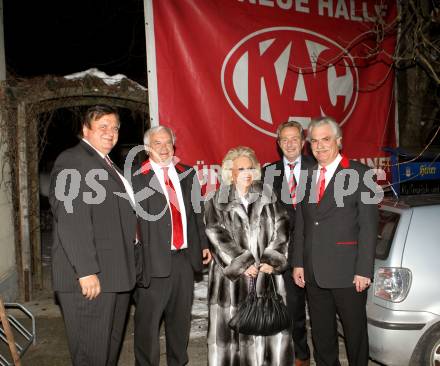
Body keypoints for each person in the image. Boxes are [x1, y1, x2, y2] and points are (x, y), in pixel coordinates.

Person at [49, 105, 140, 366]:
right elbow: (71, 217)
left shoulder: (106, 162)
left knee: (107, 351)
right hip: (92, 278)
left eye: (114, 128)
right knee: (91, 354)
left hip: (114, 275)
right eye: (103, 127)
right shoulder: (73, 160)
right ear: (85, 130)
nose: (110, 133)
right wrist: (86, 270)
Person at [292, 116, 378, 366]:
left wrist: (364, 270)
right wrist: (299, 262)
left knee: (355, 335)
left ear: (338, 141)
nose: (319, 146)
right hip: (314, 271)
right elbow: (302, 224)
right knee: (321, 335)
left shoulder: (361, 174)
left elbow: (369, 227)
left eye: (326, 139)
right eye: (314, 141)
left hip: (348, 271)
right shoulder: (306, 176)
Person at [204, 146, 294, 366]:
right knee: (233, 337)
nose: (246, 172)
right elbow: (215, 233)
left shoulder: (268, 195)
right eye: (240, 168)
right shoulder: (217, 199)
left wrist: (271, 260)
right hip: (231, 282)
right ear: (230, 173)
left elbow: (282, 227)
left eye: (250, 167)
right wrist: (242, 263)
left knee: (268, 332)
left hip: (266, 276)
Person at [132, 125, 211, 366]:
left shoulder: (187, 173)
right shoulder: (135, 177)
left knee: (180, 321)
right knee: (148, 324)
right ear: (147, 148)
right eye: (158, 143)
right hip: (151, 261)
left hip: (183, 260)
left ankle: (179, 362)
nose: (164, 148)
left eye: (168, 143)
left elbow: (197, 213)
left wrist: (203, 243)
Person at [262, 121, 313, 366]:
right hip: (286, 254)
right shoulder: (268, 172)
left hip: (316, 250)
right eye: (285, 139)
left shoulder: (317, 168)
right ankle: (300, 355)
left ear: (303, 142)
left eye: (295, 139)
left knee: (321, 308)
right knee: (294, 309)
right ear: (278, 143)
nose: (290, 143)